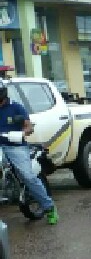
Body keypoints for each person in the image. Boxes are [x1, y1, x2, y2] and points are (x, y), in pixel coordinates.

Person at [0, 81, 56, 224]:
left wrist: (19, 134)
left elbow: (29, 127)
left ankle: (49, 207)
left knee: (28, 176)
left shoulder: (16, 107)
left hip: (15, 146)